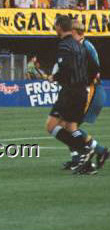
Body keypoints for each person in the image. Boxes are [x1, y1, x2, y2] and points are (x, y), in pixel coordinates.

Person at [45, 15, 98, 174]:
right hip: (82, 90)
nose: (55, 28)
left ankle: (85, 150)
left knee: (51, 126)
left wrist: (54, 77)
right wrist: (84, 80)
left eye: (55, 25)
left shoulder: (64, 45)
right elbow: (94, 68)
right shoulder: (79, 45)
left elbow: (65, 68)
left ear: (60, 27)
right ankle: (88, 164)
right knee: (70, 127)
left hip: (70, 91)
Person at [67, 21, 109, 172]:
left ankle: (99, 152)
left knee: (70, 126)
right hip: (86, 89)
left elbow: (95, 70)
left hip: (91, 90)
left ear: (74, 31)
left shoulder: (85, 46)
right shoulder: (79, 46)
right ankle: (78, 158)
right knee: (68, 125)